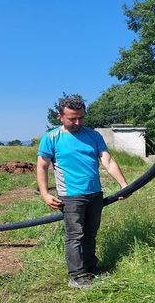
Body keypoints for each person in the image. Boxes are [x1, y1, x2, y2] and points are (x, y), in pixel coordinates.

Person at [36, 96, 129, 289]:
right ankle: (77, 276)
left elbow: (108, 161)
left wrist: (123, 185)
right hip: (71, 196)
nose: (77, 122)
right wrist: (45, 193)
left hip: (95, 193)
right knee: (75, 235)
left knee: (90, 234)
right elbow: (42, 166)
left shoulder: (93, 136)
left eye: (81, 118)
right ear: (60, 116)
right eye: (72, 118)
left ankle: (91, 269)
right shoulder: (52, 138)